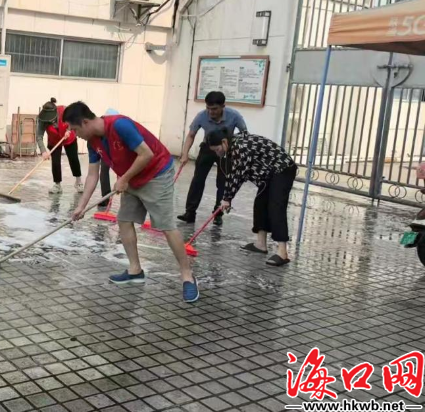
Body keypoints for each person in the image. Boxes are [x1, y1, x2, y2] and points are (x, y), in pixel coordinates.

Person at [64, 102, 199, 303]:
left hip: (156, 174)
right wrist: (81, 206)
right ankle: (135, 270)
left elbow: (147, 154)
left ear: (85, 122)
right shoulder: (93, 142)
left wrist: (124, 178)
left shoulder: (120, 125)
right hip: (131, 177)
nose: (75, 135)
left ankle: (187, 276)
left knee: (166, 225)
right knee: (124, 220)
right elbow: (93, 174)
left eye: (75, 129)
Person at [206, 127, 298, 266]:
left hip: (282, 169)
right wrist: (226, 198)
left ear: (224, 142)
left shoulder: (240, 147)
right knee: (260, 204)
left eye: (217, 149)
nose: (217, 153)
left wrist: (227, 198)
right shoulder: (234, 146)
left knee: (276, 207)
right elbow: (234, 174)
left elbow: (238, 175)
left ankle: (282, 252)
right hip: (268, 175)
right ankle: (261, 244)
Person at [178, 91, 248, 226]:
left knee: (223, 182)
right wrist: (185, 154)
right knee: (197, 180)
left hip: (227, 151)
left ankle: (218, 214)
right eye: (208, 108)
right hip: (208, 148)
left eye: (214, 109)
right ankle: (190, 212)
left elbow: (245, 135)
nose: (211, 112)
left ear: (223, 106)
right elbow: (191, 135)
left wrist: (236, 151)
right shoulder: (201, 116)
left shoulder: (234, 116)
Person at [37, 98, 83, 194]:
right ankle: (57, 185)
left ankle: (78, 181)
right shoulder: (42, 118)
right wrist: (43, 151)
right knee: (55, 162)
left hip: (68, 137)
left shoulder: (64, 110)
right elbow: (39, 136)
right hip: (54, 140)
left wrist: (69, 129)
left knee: (73, 159)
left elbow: (73, 119)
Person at [98, 108, 119, 209]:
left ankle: (128, 200)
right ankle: (105, 198)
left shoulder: (119, 129)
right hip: (106, 153)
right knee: (104, 172)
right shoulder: (101, 132)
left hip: (119, 153)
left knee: (123, 176)